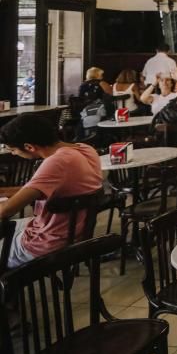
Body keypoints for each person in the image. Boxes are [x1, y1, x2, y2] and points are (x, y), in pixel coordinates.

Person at [0, 114, 103, 269]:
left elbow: (5, 210)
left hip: (48, 242)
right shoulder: (85, 149)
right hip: (73, 231)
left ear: (29, 147)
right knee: (17, 224)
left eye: (13, 150)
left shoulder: (56, 162)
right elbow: (36, 188)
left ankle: (11, 287)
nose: (14, 154)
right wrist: (4, 191)